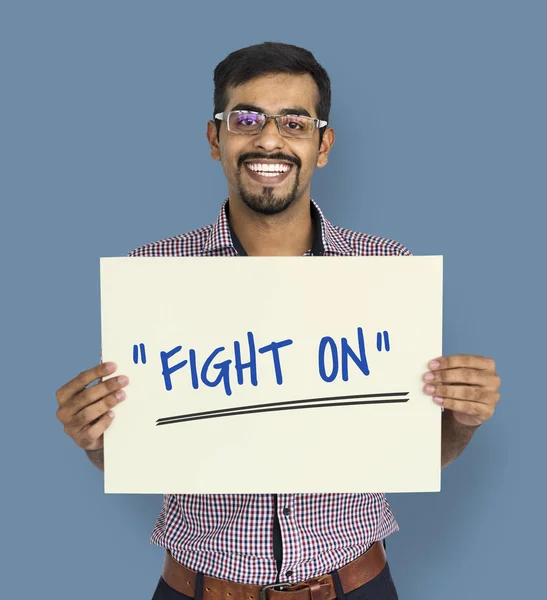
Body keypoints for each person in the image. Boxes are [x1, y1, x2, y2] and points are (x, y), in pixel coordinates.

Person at [55, 42, 501, 600]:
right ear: (216, 139)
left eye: (294, 122)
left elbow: (414, 450)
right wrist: (93, 437)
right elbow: (145, 449)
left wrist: (463, 419)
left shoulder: (386, 274)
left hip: (355, 584)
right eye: (246, 119)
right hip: (201, 588)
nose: (269, 139)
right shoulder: (154, 278)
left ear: (323, 145)